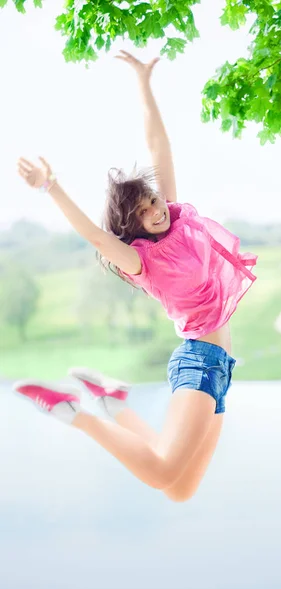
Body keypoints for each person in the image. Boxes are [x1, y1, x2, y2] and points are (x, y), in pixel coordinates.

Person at [14, 50, 257, 502]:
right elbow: (92, 234)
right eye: (144, 212)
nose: (155, 210)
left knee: (180, 490)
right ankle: (72, 410)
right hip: (198, 361)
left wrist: (144, 83)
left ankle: (115, 404)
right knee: (164, 473)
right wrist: (51, 186)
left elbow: (157, 146)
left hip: (221, 366)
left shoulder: (179, 220)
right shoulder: (140, 261)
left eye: (153, 201)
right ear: (133, 228)